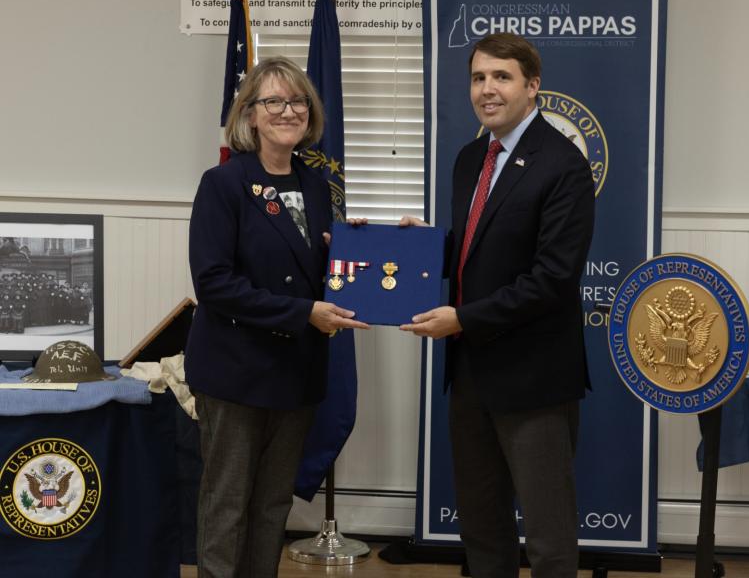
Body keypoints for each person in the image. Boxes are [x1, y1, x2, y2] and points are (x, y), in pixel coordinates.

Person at [399, 33, 595, 577]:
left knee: (549, 537)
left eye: (501, 77)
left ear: (533, 86)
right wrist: (415, 247)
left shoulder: (563, 166)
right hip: (471, 375)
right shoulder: (470, 158)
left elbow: (551, 279)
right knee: (482, 528)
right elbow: (477, 251)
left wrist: (462, 318)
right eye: (478, 77)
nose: (487, 89)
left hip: (533, 378)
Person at [185, 56, 369, 578]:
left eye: (297, 102)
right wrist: (303, 311)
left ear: (310, 114)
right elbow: (215, 284)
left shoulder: (314, 185)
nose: (287, 111)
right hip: (235, 371)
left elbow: (309, 266)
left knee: (272, 505)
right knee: (227, 503)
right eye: (273, 101)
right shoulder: (223, 184)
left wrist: (353, 248)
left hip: (295, 372)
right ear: (249, 114)